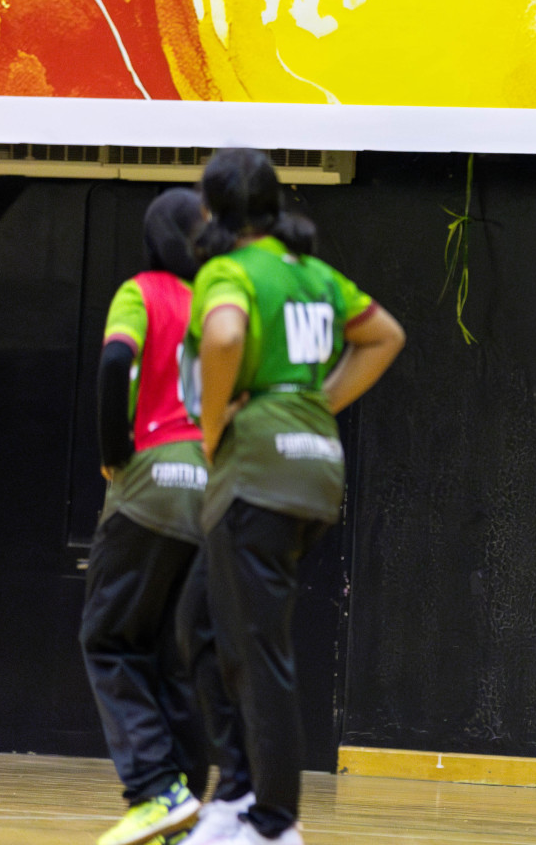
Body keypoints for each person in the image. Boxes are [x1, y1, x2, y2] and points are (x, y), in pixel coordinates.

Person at [184, 149, 405, 844]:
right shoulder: (313, 275)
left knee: (257, 647)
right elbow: (384, 336)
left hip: (259, 474)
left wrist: (214, 426)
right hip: (313, 470)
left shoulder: (229, 272)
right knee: (200, 623)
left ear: (213, 211)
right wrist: (316, 401)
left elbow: (223, 334)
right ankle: (238, 792)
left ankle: (274, 821)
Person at [81, 189, 211, 845]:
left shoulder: (143, 291)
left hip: (152, 477)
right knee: (169, 656)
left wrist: (113, 452)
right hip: (207, 486)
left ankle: (156, 791)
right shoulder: (218, 305)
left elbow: (114, 361)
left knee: (108, 639)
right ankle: (186, 811)